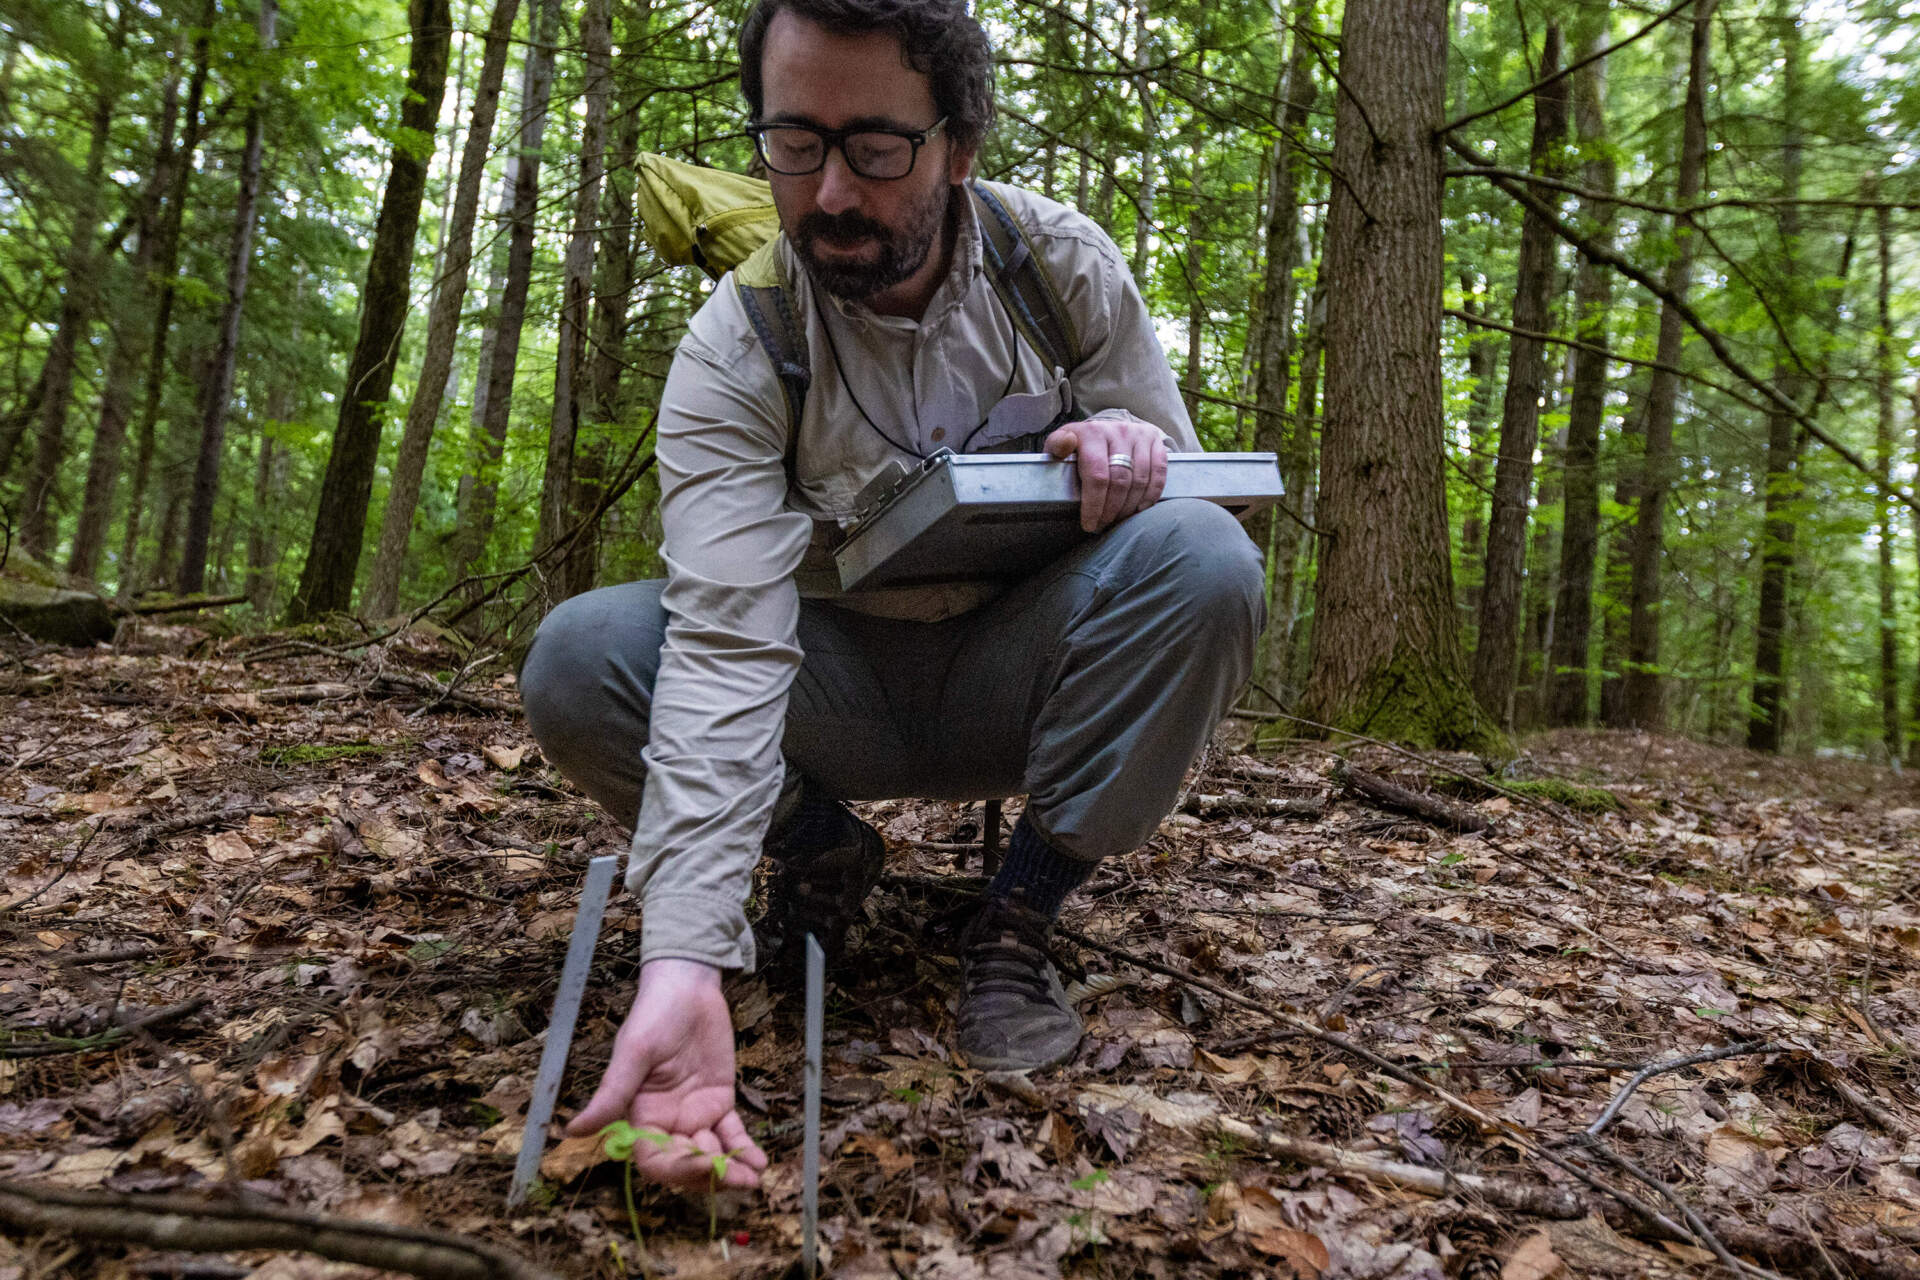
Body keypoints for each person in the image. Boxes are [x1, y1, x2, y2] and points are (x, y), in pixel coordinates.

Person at [517, 0, 1264, 1193]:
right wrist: (683, 961)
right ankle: (813, 849)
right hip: (831, 687)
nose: (825, 195)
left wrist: (1125, 446)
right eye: (792, 144)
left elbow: (1192, 514)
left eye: (874, 148)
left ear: (959, 145)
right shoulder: (740, 340)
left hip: (1023, 676)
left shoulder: (1058, 267)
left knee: (1204, 559)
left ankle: (1021, 914)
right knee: (580, 654)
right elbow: (720, 642)